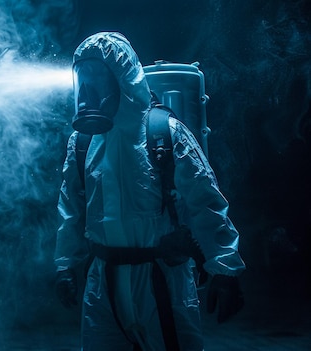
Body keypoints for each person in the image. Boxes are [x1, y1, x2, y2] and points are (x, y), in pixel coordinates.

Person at [54, 32, 246, 350]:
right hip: (104, 283)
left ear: (123, 78)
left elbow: (205, 201)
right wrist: (65, 265)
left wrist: (225, 269)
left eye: (98, 78)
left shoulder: (164, 133)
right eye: (83, 79)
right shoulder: (83, 143)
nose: (88, 89)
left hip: (163, 280)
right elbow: (70, 207)